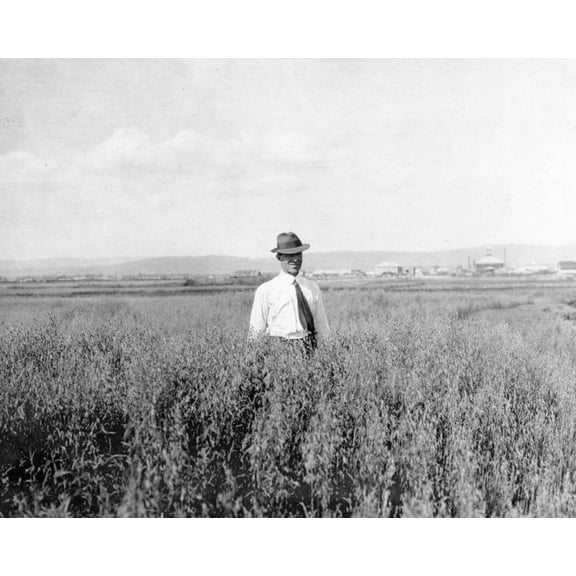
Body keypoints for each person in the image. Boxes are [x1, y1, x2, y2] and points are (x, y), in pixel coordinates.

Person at [248, 232, 330, 351]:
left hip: (309, 348)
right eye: (289, 255)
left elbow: (322, 325)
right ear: (279, 257)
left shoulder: (312, 287)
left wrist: (329, 353)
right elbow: (256, 329)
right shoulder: (266, 290)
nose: (295, 259)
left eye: (298, 254)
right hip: (278, 350)